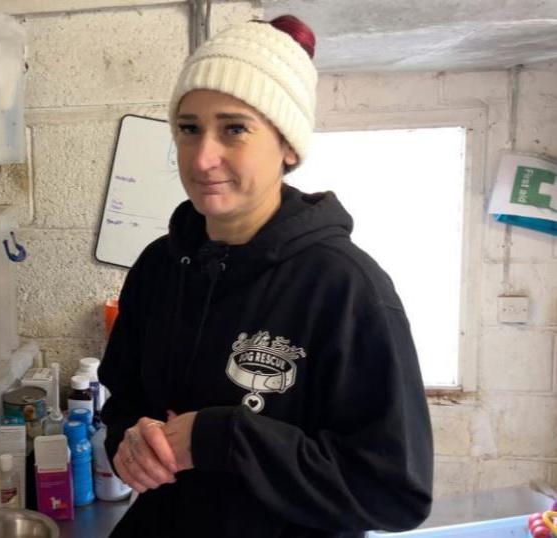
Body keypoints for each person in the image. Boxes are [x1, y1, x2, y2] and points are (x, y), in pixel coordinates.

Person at [98, 15, 434, 538]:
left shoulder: (347, 289)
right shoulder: (158, 267)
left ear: (288, 146)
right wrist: (129, 442)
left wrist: (222, 436)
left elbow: (392, 492)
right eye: (189, 129)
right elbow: (124, 404)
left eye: (234, 128)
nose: (203, 156)